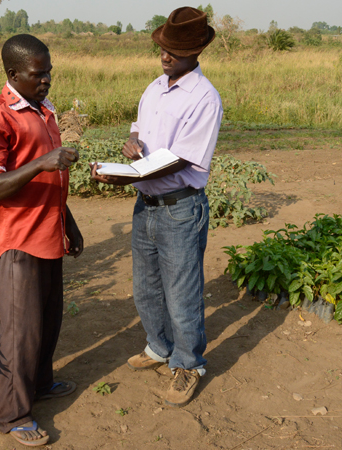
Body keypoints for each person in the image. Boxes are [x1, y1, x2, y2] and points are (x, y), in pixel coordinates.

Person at [90, 7, 223, 407]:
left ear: (196, 52)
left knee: (182, 293)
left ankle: (188, 365)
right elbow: (138, 127)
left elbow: (182, 159)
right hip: (146, 204)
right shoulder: (155, 87)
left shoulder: (204, 97)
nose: (165, 56)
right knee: (146, 288)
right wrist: (131, 146)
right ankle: (158, 347)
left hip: (180, 207)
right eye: (163, 47)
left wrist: (131, 175)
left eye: (175, 51)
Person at [0, 34, 84, 447]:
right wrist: (42, 163)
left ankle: (40, 384)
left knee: (48, 322)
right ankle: (12, 415)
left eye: (49, 72)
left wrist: (68, 222)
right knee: (20, 333)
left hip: (49, 233)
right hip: (21, 240)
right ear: (13, 74)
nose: (47, 80)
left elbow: (52, 181)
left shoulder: (41, 109)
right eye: (38, 74)